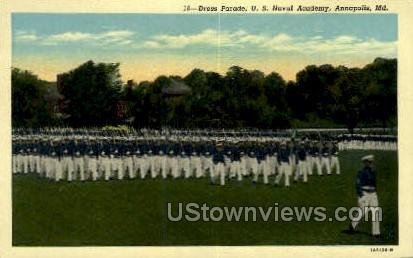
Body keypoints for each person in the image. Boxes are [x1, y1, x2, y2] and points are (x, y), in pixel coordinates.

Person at [348, 155, 381, 237]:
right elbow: (357, 184)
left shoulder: (373, 172)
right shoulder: (361, 172)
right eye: (368, 162)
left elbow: (375, 184)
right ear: (364, 163)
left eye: (371, 162)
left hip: (373, 194)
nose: (370, 164)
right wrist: (361, 195)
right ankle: (352, 225)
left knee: (375, 211)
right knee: (362, 211)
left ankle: (376, 232)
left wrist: (375, 193)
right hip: (364, 193)